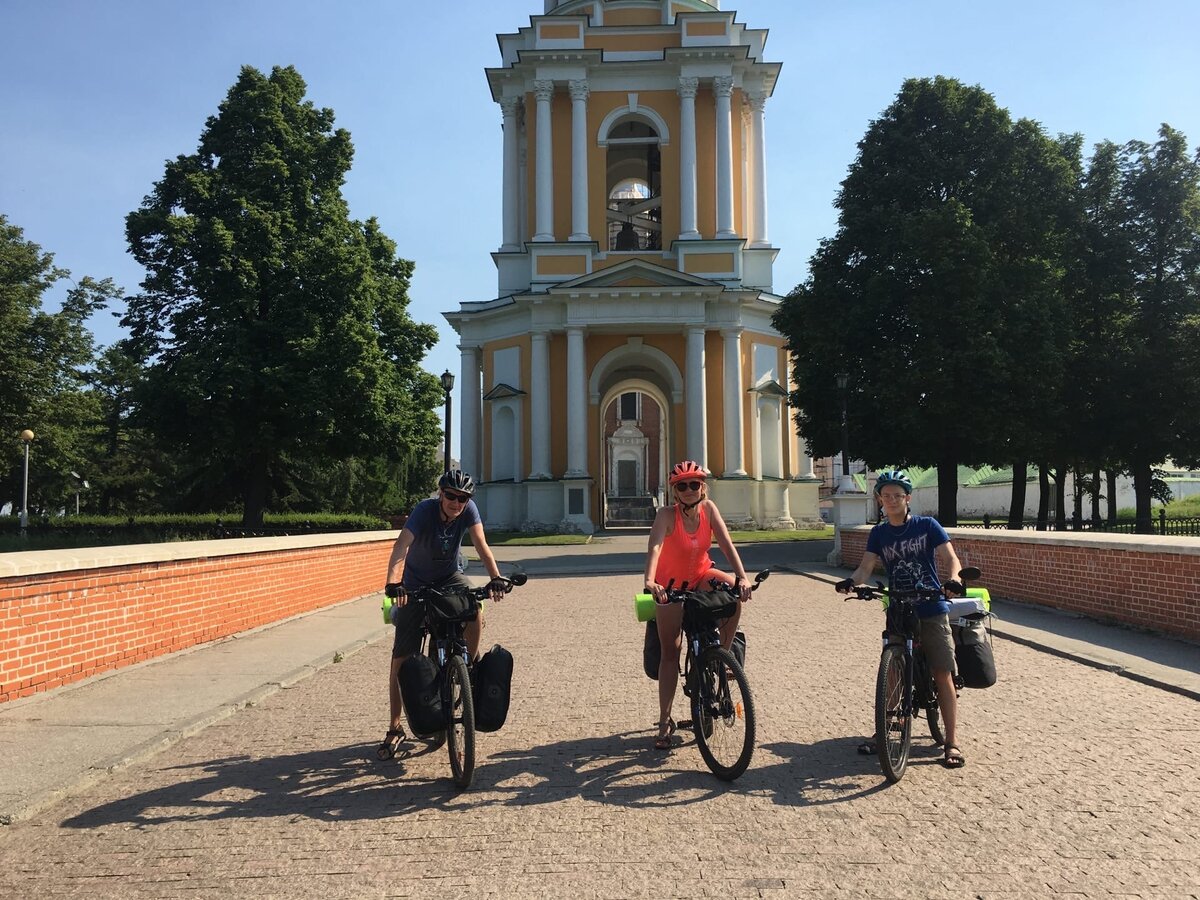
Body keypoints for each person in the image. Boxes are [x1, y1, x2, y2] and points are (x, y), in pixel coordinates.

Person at [836, 469, 968, 769]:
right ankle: (886, 730)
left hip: (932, 606)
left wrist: (953, 579)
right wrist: (852, 582)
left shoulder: (927, 525)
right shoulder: (879, 533)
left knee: (942, 673)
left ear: (908, 498)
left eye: (898, 495)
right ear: (880, 500)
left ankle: (951, 741)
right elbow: (866, 567)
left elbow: (950, 559)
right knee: (892, 670)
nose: (892, 500)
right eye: (886, 496)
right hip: (898, 607)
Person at [377, 469, 505, 759]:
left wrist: (496, 577)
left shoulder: (468, 510)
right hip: (414, 583)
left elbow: (482, 546)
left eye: (462, 498)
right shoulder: (423, 511)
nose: (456, 503)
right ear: (440, 494)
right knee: (401, 658)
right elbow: (401, 547)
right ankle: (395, 727)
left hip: (449, 578)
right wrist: (394, 583)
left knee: (474, 611)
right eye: (451, 496)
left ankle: (468, 667)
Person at [643, 460, 752, 750]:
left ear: (702, 487)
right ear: (675, 491)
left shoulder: (709, 509)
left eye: (694, 484)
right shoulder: (666, 515)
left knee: (733, 595)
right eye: (683, 485)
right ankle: (665, 720)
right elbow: (654, 546)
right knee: (671, 652)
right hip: (670, 586)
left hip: (702, 575)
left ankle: (721, 656)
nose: (689, 490)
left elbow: (726, 543)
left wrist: (742, 577)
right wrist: (651, 581)